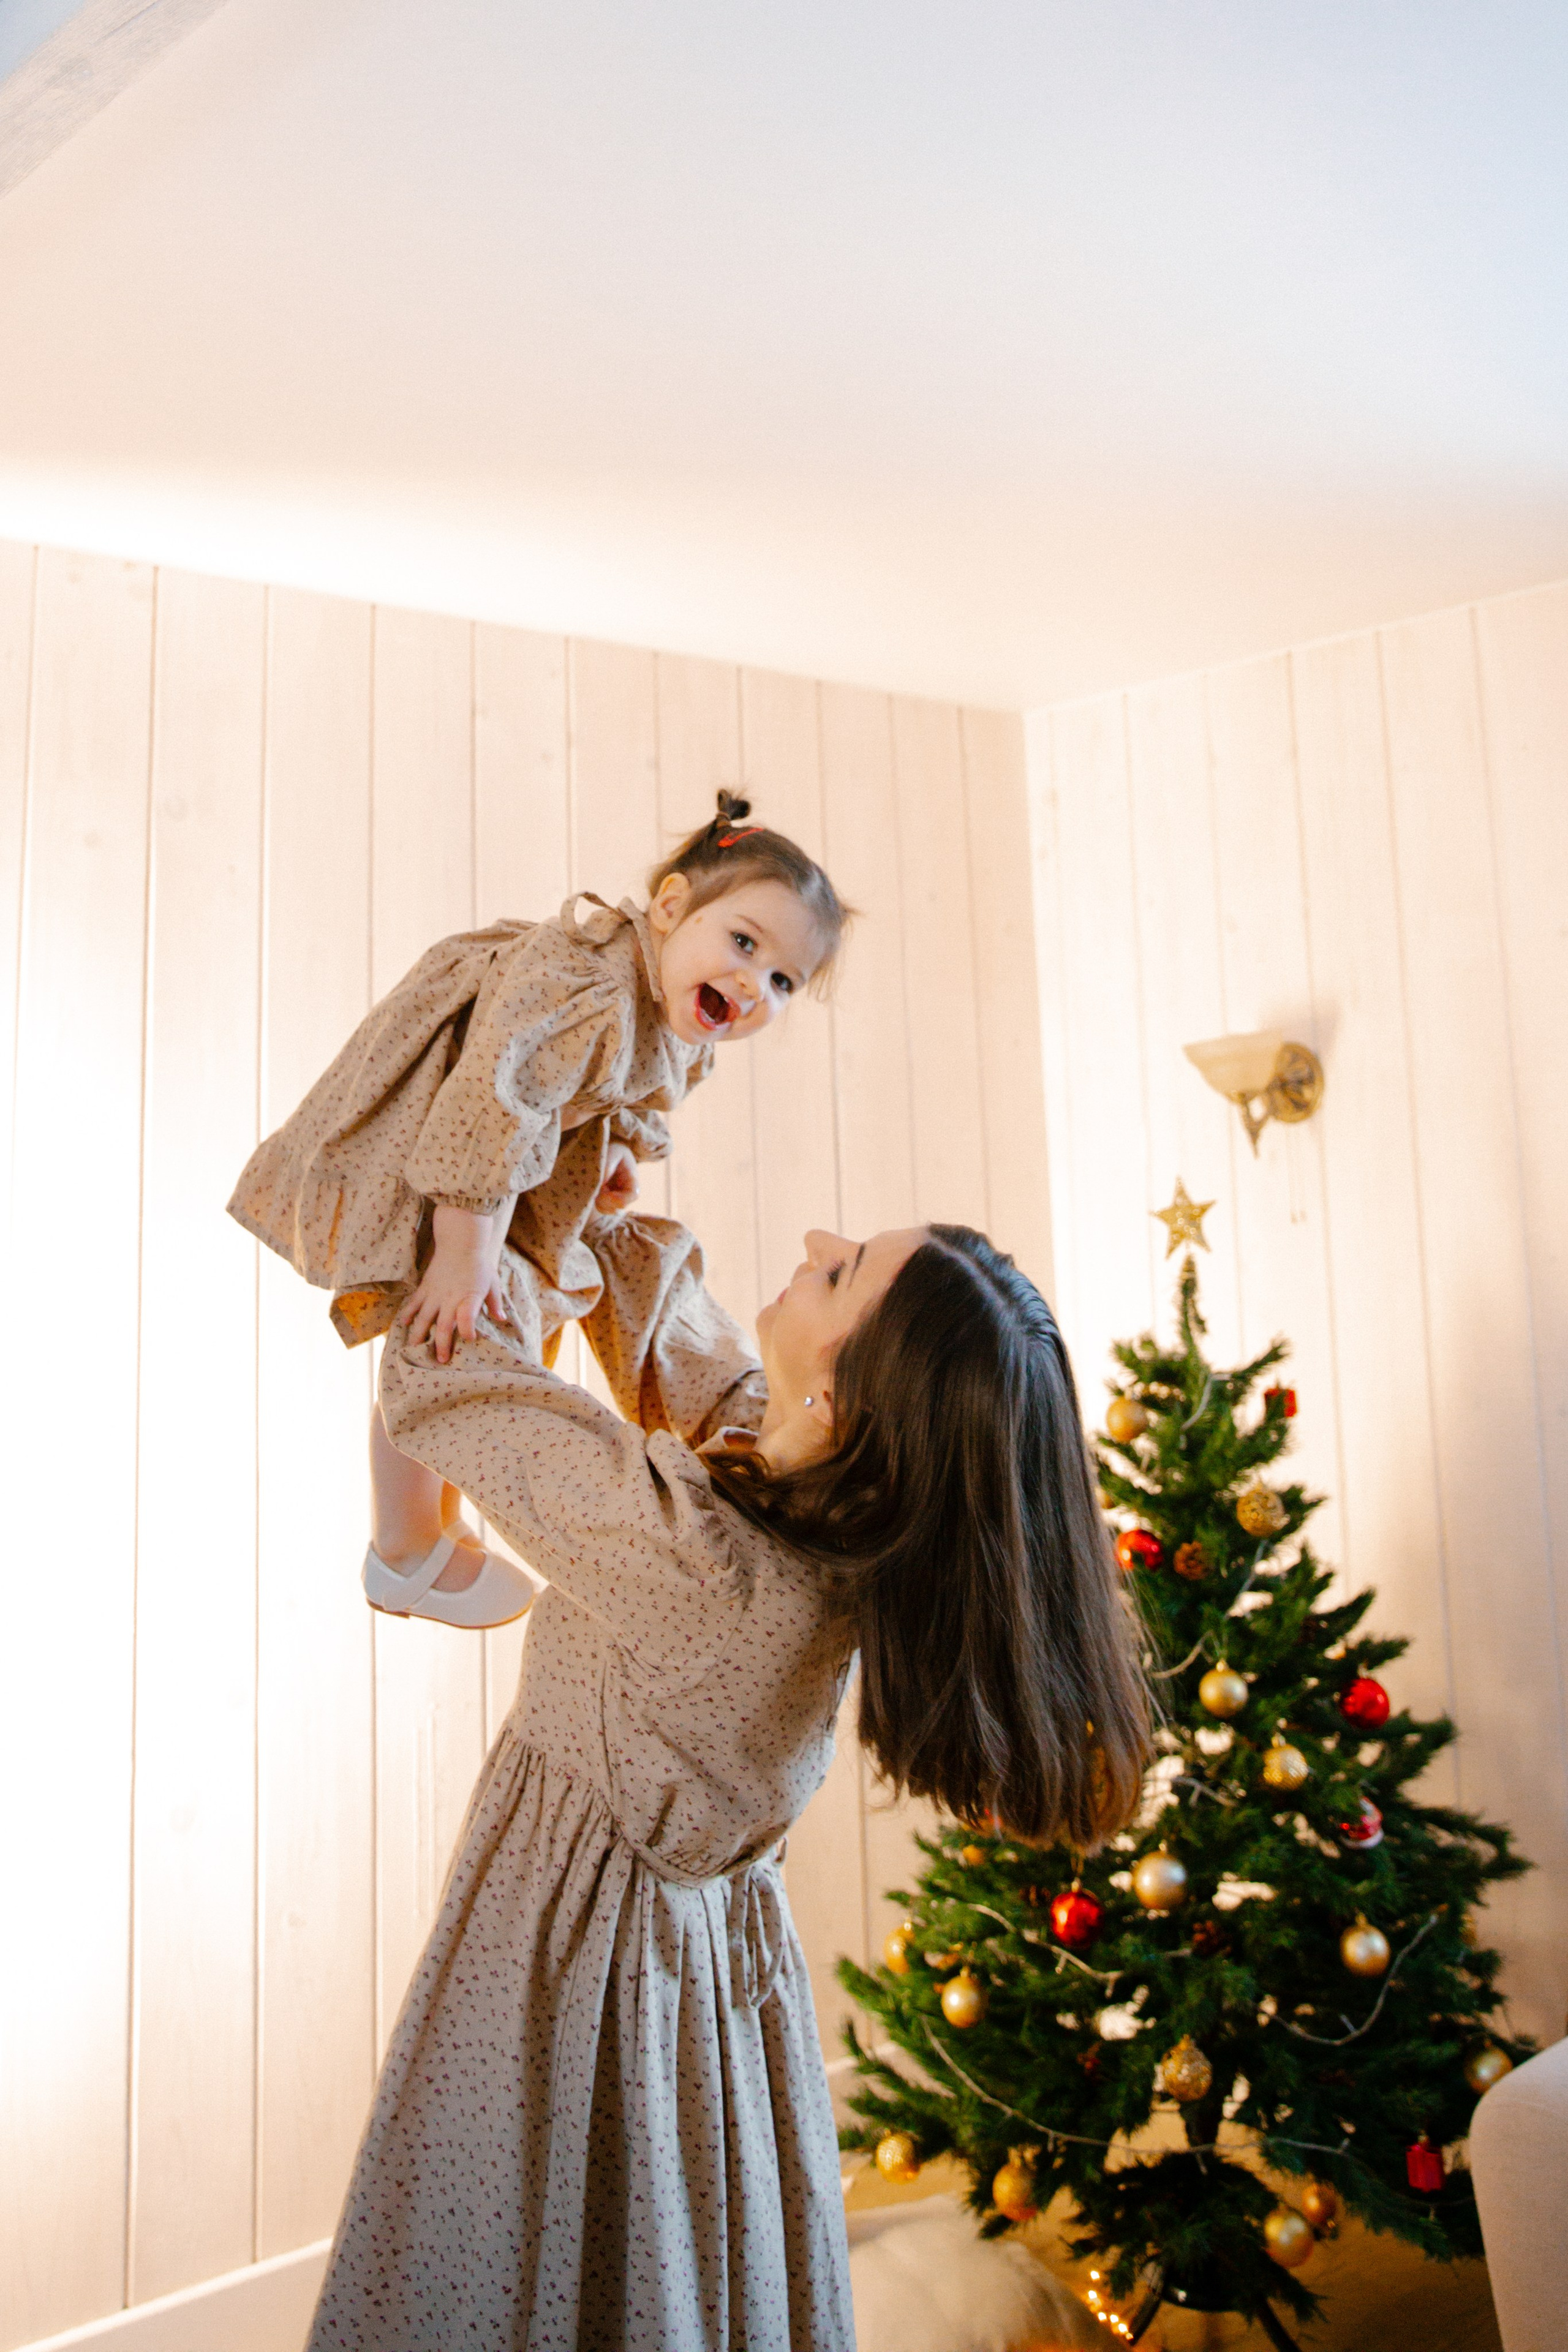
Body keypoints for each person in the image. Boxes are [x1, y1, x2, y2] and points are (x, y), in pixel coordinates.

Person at [304, 1219, 1152, 2352]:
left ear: (845, 1403)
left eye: (843, 1269)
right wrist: (579, 1202)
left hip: (567, 1974)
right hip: (685, 1982)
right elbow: (663, 1333)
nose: (814, 1238)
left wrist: (477, 1228)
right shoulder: (825, 1509)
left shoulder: (701, 1567)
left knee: (511, 2277)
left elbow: (443, 1381)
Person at [228, 793, 848, 1627]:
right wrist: (461, 1249)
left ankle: (441, 1524)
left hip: (513, 1166)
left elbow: (621, 1097)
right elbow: (495, 1104)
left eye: (782, 981)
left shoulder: (681, 1017)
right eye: (743, 942)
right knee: (447, 1328)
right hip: (448, 1131)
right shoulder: (585, 988)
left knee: (522, 1324)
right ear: (670, 909)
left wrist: (613, 1160)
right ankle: (403, 1547)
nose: (752, 985)